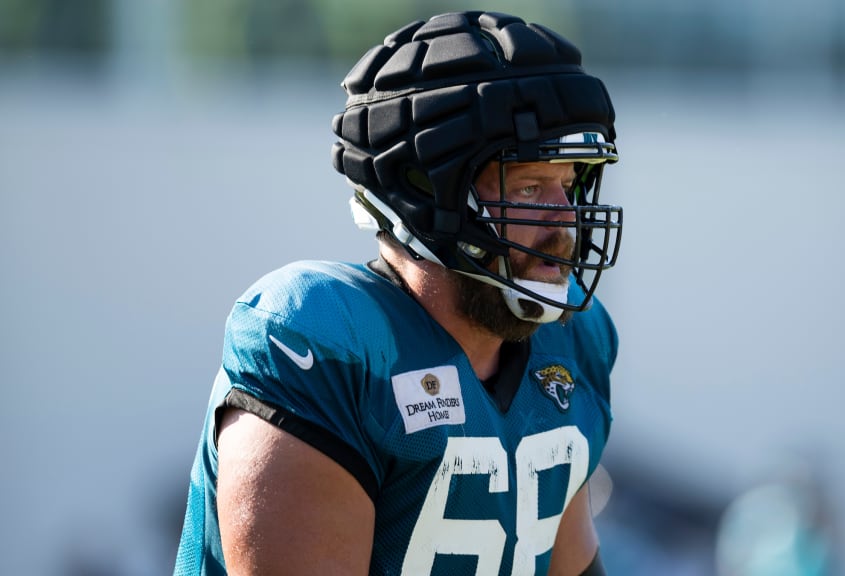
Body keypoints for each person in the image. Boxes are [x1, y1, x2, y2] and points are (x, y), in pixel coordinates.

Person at [174, 10, 623, 576]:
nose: (564, 224)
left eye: (571, 184)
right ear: (426, 192)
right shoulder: (327, 342)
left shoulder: (571, 342)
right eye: (531, 186)